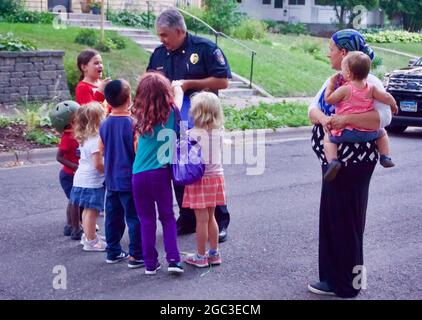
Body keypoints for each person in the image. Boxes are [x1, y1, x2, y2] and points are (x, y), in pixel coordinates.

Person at [307, 29, 393, 298]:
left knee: (348, 221)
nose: (328, 52)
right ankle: (333, 279)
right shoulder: (334, 80)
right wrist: (323, 118)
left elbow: (383, 119)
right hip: (334, 162)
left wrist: (343, 121)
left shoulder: (369, 82)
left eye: (331, 48)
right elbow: (313, 109)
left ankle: (348, 285)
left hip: (352, 164)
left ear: (344, 53)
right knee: (333, 219)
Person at [147, 8, 231, 242]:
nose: (162, 40)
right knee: (180, 168)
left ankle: (219, 221)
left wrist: (187, 84)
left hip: (202, 121)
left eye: (165, 35)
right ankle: (187, 218)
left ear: (180, 30)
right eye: (159, 36)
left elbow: (223, 81)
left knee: (207, 171)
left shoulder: (204, 49)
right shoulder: (159, 54)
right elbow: (151, 82)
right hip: (172, 122)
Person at [131, 72, 184, 275]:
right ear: (166, 93)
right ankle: (173, 260)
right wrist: (178, 87)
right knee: (168, 218)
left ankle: (150, 264)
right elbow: (178, 98)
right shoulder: (172, 112)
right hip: (160, 174)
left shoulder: (137, 114)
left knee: (146, 220)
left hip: (138, 175)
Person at [323, 51, 398, 181]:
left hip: (347, 132)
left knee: (328, 138)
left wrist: (331, 84)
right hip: (369, 133)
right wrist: (394, 105)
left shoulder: (345, 89)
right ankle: (385, 156)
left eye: (343, 69)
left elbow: (329, 99)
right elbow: (386, 97)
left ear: (348, 73)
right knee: (383, 133)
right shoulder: (371, 88)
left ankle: (333, 161)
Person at [99, 79, 143, 267]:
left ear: (108, 101)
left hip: (111, 180)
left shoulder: (104, 124)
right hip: (129, 180)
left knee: (113, 217)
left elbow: (101, 150)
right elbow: (137, 151)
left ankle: (113, 251)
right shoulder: (133, 124)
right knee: (134, 217)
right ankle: (136, 254)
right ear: (129, 99)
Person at [183, 92, 225, 268]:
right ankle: (214, 253)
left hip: (200, 180)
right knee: (211, 217)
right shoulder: (219, 131)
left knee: (200, 220)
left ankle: (200, 256)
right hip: (216, 178)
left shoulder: (192, 134)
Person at [70, 102, 107, 252]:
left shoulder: (86, 137)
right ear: (97, 120)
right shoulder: (95, 140)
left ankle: (88, 236)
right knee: (92, 212)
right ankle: (91, 241)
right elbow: (97, 164)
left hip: (81, 179)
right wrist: (107, 172)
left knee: (87, 211)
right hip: (91, 182)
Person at [50, 101, 82, 241]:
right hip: (69, 175)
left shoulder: (76, 133)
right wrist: (74, 166)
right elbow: (59, 157)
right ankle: (75, 228)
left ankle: (70, 225)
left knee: (75, 201)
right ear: (71, 120)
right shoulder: (67, 138)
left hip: (76, 174)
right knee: (74, 201)